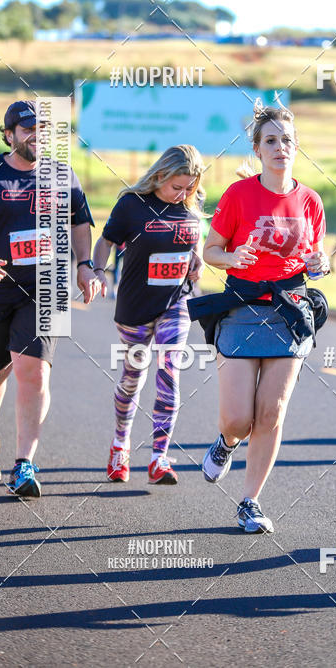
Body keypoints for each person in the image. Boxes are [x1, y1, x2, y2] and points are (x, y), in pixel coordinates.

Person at [189, 101, 329, 533]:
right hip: (242, 309)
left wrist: (320, 263)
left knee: (272, 413)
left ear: (296, 147)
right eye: (271, 140)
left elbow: (312, 258)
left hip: (289, 313)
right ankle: (226, 443)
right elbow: (209, 252)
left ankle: (250, 500)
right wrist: (233, 255)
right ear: (257, 148)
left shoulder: (311, 200)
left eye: (287, 140)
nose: (280, 147)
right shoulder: (238, 195)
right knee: (238, 419)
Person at [0, 100, 99, 497]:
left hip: (47, 286)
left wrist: (85, 264)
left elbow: (79, 222)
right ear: (9, 135)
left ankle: (24, 463)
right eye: (27, 129)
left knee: (35, 371)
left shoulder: (63, 174)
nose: (38, 136)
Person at [93, 145, 205, 485]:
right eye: (177, 187)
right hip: (135, 306)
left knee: (170, 370)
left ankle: (159, 457)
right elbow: (106, 241)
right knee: (133, 376)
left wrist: (197, 258)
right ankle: (120, 444)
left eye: (190, 188)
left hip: (177, 302)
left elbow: (191, 236)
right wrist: (98, 270)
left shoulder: (191, 202)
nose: (183, 194)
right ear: (159, 176)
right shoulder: (131, 205)